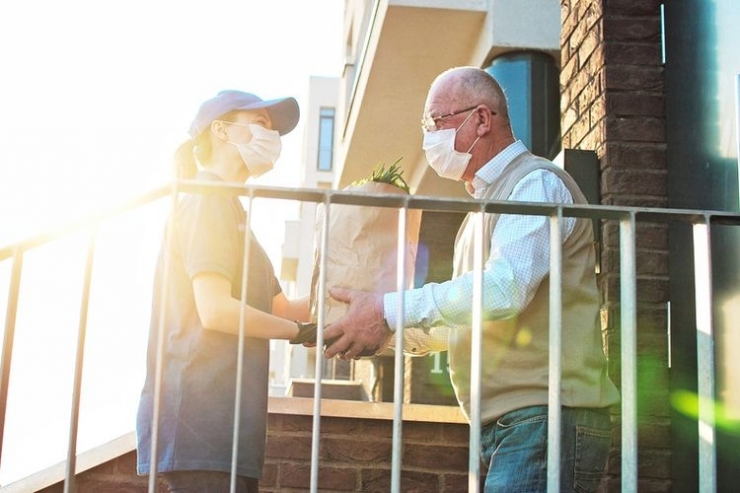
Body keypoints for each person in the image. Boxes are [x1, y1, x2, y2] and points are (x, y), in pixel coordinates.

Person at [322, 66, 621, 492]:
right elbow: (472, 319)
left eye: (435, 123)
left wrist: (387, 309)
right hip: (517, 423)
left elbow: (503, 290)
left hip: (545, 416)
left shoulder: (534, 183)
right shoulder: (486, 208)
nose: (428, 138)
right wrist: (379, 330)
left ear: (481, 119)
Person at [136, 90, 318, 493]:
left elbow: (281, 307)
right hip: (199, 421)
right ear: (221, 130)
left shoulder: (235, 215)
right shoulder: (207, 200)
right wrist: (302, 334)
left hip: (227, 427)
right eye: (261, 124)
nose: (272, 138)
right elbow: (215, 310)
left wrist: (348, 303)